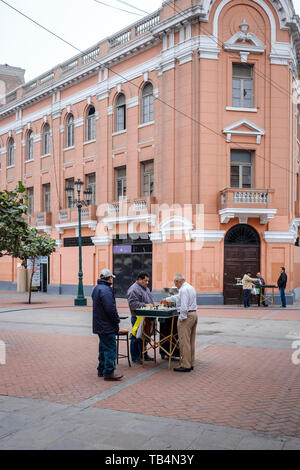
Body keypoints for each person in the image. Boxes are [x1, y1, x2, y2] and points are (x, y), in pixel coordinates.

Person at [92, 268, 123, 381]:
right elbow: (110, 309)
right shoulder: (106, 290)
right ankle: (109, 372)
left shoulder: (97, 289)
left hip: (99, 324)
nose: (112, 280)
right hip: (107, 325)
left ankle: (101, 370)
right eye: (111, 278)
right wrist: (116, 320)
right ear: (109, 278)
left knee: (103, 348)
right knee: (110, 348)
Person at [164, 273, 198, 372]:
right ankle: (190, 363)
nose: (175, 285)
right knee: (191, 341)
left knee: (184, 342)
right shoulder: (190, 287)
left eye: (175, 283)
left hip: (186, 316)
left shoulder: (183, 290)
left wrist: (181, 318)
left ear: (178, 281)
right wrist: (166, 299)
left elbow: (183, 306)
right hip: (194, 314)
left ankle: (185, 365)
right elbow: (177, 297)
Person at [127, 272, 155, 364]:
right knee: (136, 337)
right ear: (139, 279)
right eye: (145, 281)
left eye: (148, 281)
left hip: (146, 317)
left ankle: (144, 354)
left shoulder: (145, 288)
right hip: (137, 318)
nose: (147, 283)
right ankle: (136, 357)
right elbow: (133, 304)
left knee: (145, 337)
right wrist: (146, 305)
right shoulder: (133, 289)